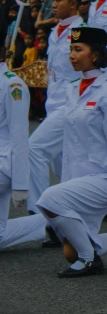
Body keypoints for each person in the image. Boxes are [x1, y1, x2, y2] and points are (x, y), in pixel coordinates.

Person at [36, 27, 107, 277]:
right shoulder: (71, 88)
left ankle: (91, 260)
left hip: (105, 177)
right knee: (71, 249)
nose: (72, 55)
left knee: (48, 199)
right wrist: (67, 180)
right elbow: (70, 144)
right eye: (71, 50)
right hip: (79, 177)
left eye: (79, 49)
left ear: (97, 55)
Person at [27, 0, 88, 216]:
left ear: (73, 4)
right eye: (53, 0)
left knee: (35, 149)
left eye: (59, 0)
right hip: (53, 103)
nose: (53, 5)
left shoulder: (82, 34)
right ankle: (69, 212)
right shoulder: (56, 31)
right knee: (63, 163)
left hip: (70, 104)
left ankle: (42, 213)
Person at [0, 48, 47, 250]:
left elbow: (19, 136)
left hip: (3, 164)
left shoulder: (12, 85)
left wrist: (20, 184)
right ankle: (46, 222)